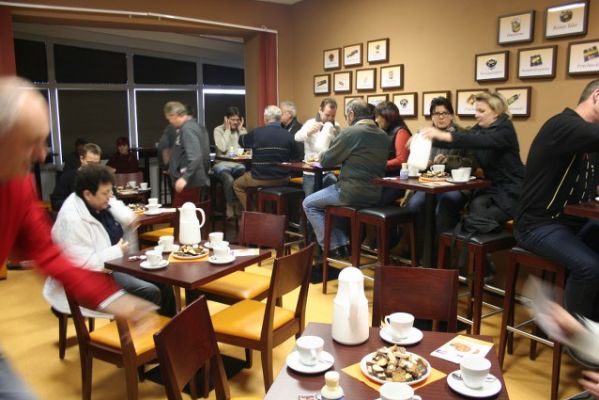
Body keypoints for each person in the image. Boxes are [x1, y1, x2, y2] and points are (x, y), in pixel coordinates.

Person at [0, 75, 155, 400]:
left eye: (44, 141)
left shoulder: (17, 183)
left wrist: (113, 300)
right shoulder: (67, 208)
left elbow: (49, 255)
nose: (42, 154)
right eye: (31, 142)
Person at [515, 79, 599, 324]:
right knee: (590, 268)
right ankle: (576, 338)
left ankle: (591, 325)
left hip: (572, 224)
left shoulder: (590, 141)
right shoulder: (562, 125)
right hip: (537, 225)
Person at [44, 164, 176, 317]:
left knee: (163, 281)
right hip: (89, 278)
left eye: (110, 191)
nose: (110, 196)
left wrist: (128, 219)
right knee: (150, 291)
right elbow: (84, 264)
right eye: (105, 193)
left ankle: (171, 330)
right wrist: (116, 251)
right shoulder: (72, 220)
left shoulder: (97, 200)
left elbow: (120, 209)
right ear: (88, 194)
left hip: (112, 265)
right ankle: (150, 331)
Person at [422, 91, 525, 228]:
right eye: (476, 110)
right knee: (471, 212)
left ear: (496, 112)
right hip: (492, 189)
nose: (476, 115)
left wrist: (443, 136)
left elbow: (476, 140)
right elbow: (462, 139)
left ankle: (465, 237)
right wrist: (423, 139)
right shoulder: (480, 128)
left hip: (513, 192)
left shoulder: (505, 129)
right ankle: (454, 239)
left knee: (476, 221)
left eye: (481, 111)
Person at [303, 99, 388, 258]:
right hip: (375, 193)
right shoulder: (383, 135)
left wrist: (323, 150)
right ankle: (342, 245)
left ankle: (332, 247)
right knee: (329, 204)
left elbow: (326, 160)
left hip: (350, 192)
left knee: (309, 204)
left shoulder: (350, 132)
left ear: (351, 114)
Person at [403, 98, 473, 259]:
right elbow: (415, 163)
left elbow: (471, 163)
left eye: (445, 113)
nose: (441, 117)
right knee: (415, 206)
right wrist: (424, 163)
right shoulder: (425, 135)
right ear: (432, 116)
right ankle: (421, 256)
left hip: (455, 185)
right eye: (436, 114)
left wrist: (448, 161)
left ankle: (444, 259)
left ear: (452, 115)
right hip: (429, 184)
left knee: (443, 207)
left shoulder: (463, 135)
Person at [233, 105, 298, 210]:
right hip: (283, 179)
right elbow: (295, 157)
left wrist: (241, 130)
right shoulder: (289, 135)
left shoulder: (257, 133)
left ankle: (253, 213)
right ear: (279, 119)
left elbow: (242, 141)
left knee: (237, 185)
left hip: (259, 177)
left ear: (265, 118)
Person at [164, 101, 210, 206]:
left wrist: (185, 178)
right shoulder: (192, 126)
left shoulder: (187, 129)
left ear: (175, 115)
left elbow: (195, 156)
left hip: (189, 182)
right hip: (190, 180)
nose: (170, 122)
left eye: (169, 118)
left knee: (182, 214)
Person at [294, 98, 340, 196]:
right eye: (327, 115)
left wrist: (335, 136)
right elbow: (296, 137)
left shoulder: (336, 126)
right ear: (320, 110)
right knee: (308, 201)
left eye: (333, 116)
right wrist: (308, 132)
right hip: (310, 172)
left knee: (331, 198)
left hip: (327, 170)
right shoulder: (310, 123)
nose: (330, 118)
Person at [375, 101, 412, 206]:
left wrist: (378, 165)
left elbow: (401, 160)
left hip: (398, 181)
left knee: (377, 202)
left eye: (378, 116)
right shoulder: (385, 131)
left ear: (387, 116)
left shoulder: (401, 132)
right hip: (387, 177)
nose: (376, 120)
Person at [213, 106, 247, 218]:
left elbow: (246, 150)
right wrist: (227, 130)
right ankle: (230, 205)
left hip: (238, 165)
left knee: (243, 178)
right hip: (222, 165)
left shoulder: (241, 130)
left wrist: (241, 132)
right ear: (226, 119)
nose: (236, 122)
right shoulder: (218, 130)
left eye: (237, 120)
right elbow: (222, 148)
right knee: (229, 179)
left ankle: (240, 204)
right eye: (233, 119)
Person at [50, 143, 102, 211]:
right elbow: (56, 203)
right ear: (81, 159)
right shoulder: (68, 177)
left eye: (97, 164)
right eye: (90, 163)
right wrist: (78, 204)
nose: (93, 167)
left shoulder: (102, 178)